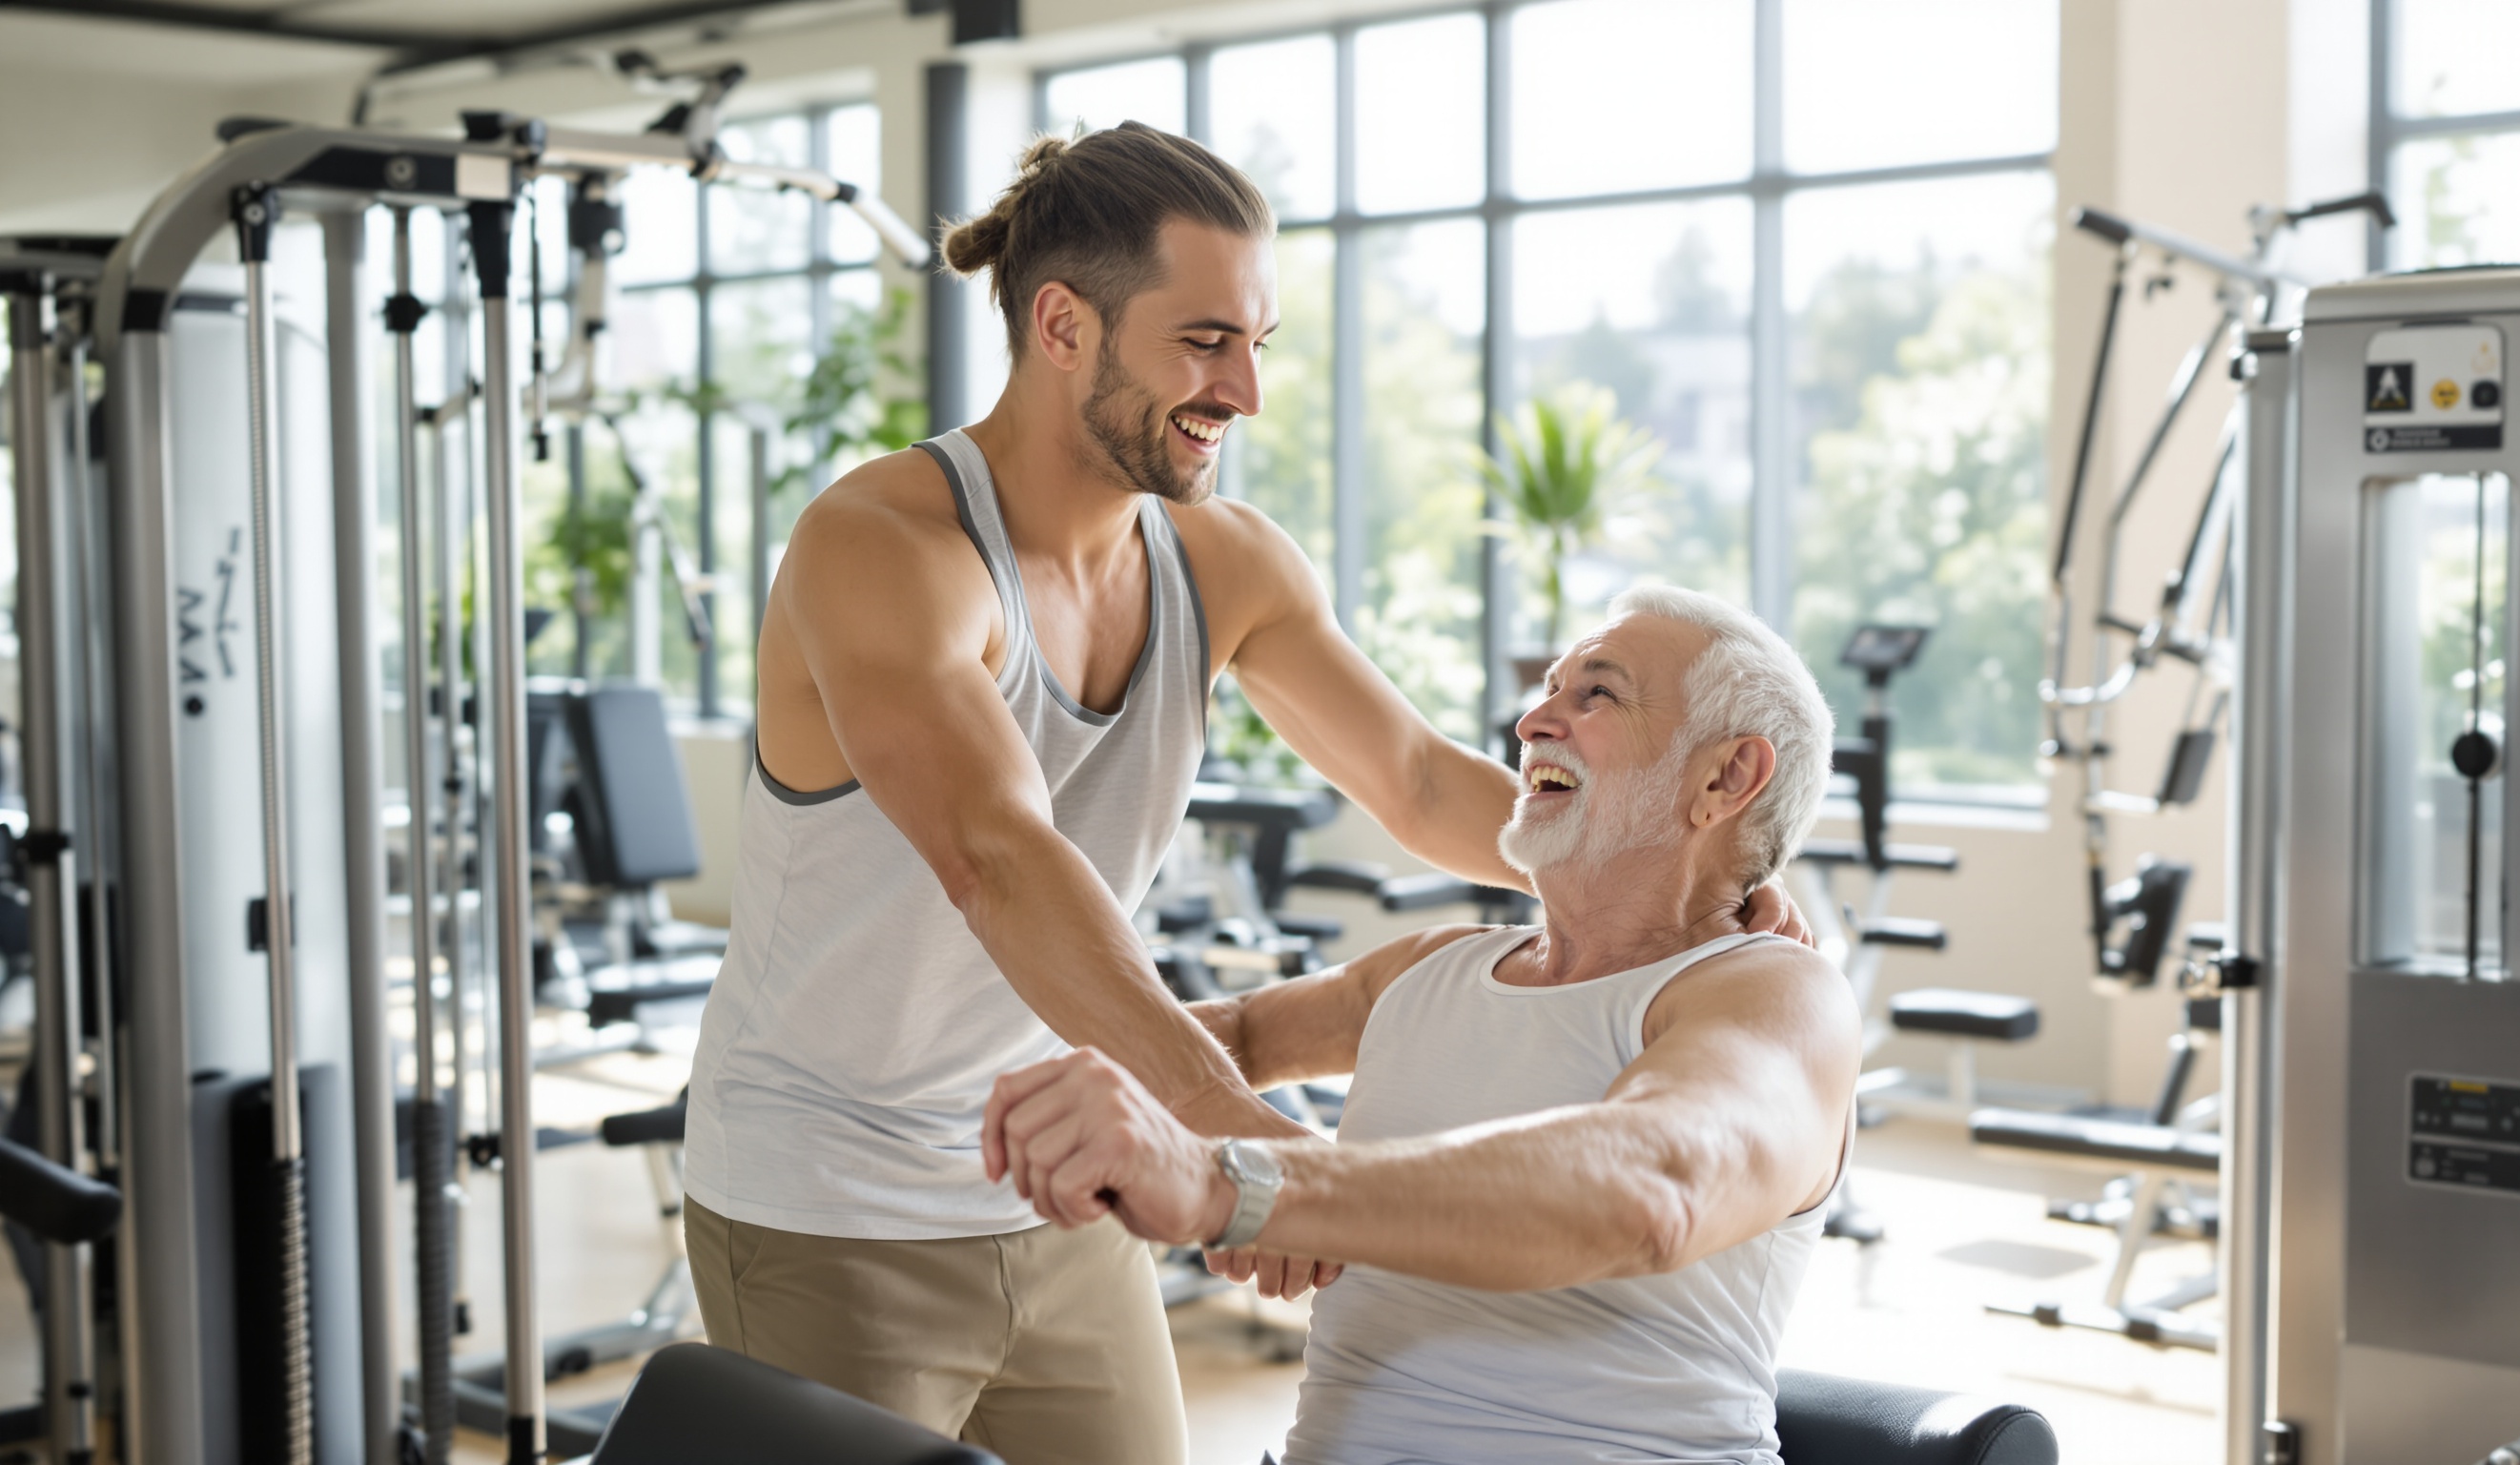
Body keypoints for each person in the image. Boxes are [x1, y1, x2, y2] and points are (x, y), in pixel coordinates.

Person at [680, 123, 1812, 1464]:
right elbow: (998, 856)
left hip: (1053, 1182)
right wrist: (1243, 1145)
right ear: (1062, 326)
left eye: (1260, 344)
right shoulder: (888, 551)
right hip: (834, 1193)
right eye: (1205, 341)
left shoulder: (1224, 565)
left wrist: (1692, 871)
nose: (1247, 392)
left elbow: (1416, 781)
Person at [984, 585, 1860, 1465]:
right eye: (1549, 688)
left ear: (1725, 778)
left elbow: (1654, 1185)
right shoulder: (1436, 968)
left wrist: (1240, 1187)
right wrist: (1020, 1088)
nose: (1532, 722)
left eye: (1597, 693)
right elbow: (1233, 1040)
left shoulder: (1776, 994)